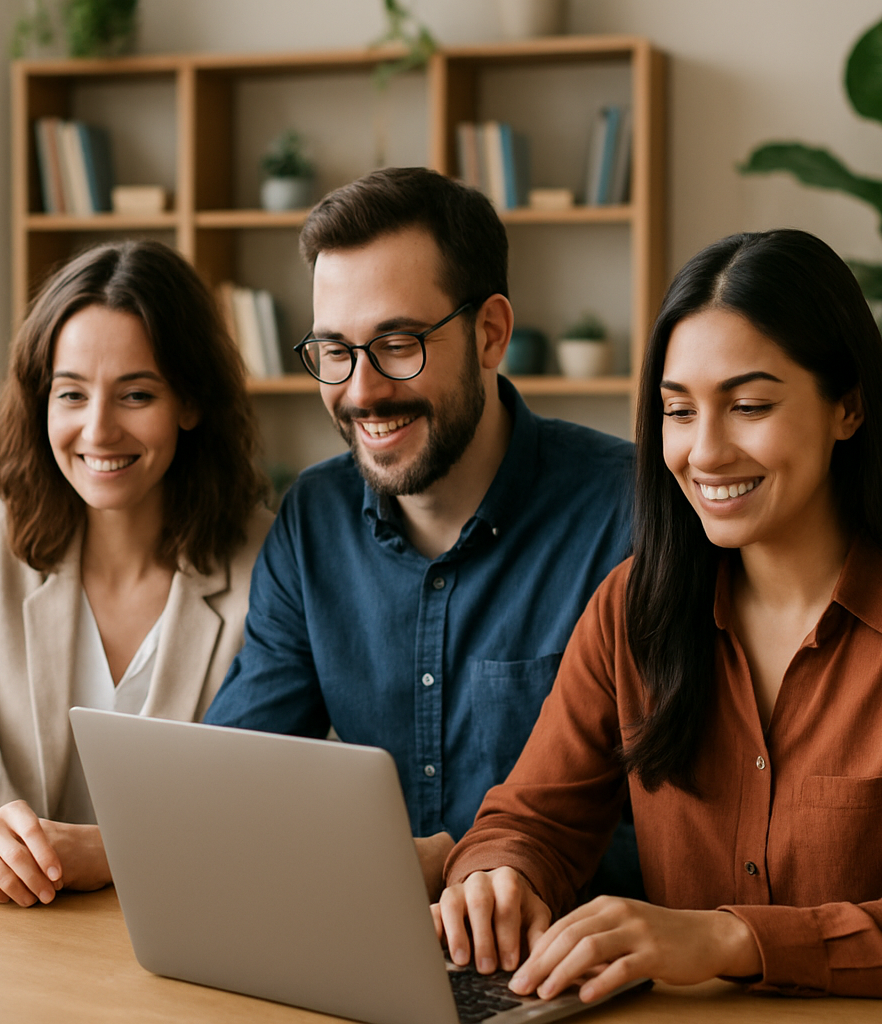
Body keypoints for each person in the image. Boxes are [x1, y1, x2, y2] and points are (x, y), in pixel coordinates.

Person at [436, 229, 882, 1021]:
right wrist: (499, 875)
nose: (706, 451)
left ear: (849, 406)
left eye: (751, 406)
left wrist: (727, 940)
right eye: (678, 411)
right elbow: (532, 818)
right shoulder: (632, 611)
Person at [202, 167, 636, 897]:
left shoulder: (628, 515)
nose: (361, 391)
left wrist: (467, 863)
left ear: (491, 333)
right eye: (334, 351)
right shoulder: (314, 521)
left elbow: (690, 830)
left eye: (398, 343)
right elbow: (235, 781)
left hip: (576, 958)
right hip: (376, 940)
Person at [0, 240, 272, 906]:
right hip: (20, 932)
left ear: (190, 403)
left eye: (136, 394)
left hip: (195, 923)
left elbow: (276, 809)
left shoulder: (268, 563)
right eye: (71, 394)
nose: (98, 430)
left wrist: (109, 851)